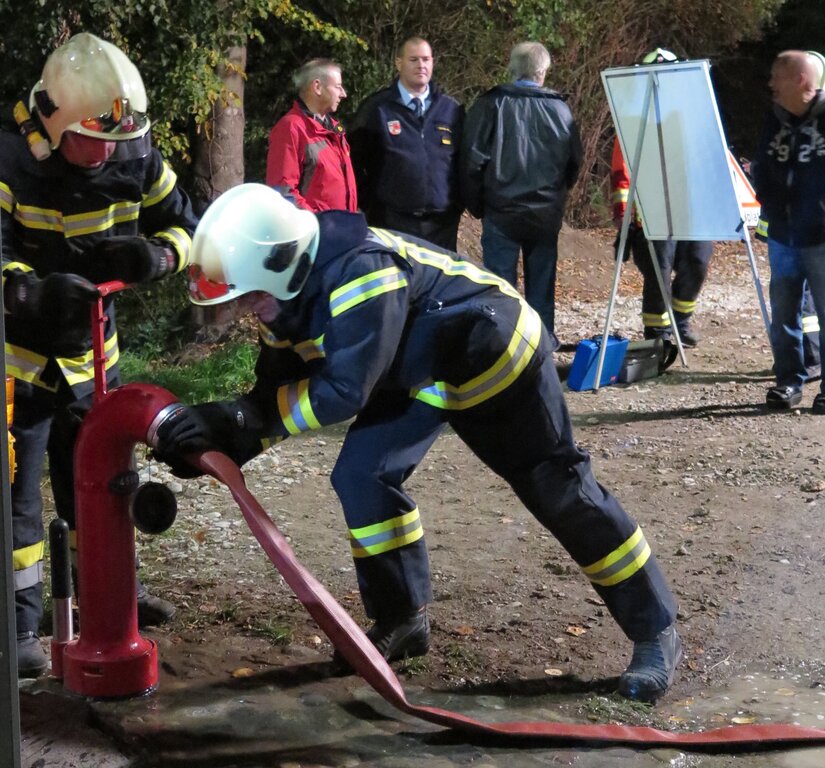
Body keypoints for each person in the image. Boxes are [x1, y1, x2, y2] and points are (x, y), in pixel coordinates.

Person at [155, 183, 682, 703]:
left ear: (279, 265)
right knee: (363, 475)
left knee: (557, 488)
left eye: (249, 297)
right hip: (420, 368)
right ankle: (401, 618)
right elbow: (274, 394)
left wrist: (239, 418)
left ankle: (654, 629)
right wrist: (228, 441)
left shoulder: (363, 273)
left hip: (495, 355)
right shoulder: (288, 287)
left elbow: (340, 392)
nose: (248, 309)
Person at [0, 33, 198, 677]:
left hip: (94, 358)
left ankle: (108, 599)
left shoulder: (134, 152)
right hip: (17, 365)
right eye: (93, 137)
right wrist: (26, 291)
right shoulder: (8, 161)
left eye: (117, 137)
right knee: (17, 499)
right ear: (52, 123)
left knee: (105, 485)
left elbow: (185, 226)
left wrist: (156, 255)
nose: (107, 150)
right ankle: (21, 623)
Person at [460, 41, 581, 351]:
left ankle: (504, 347)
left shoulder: (491, 105)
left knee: (501, 288)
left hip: (501, 211)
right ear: (543, 72)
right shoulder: (560, 109)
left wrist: (477, 206)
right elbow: (573, 163)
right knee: (542, 285)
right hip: (544, 214)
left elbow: (472, 160)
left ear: (512, 69)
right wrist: (556, 198)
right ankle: (541, 347)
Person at [611, 49, 714, 348]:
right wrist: (624, 212)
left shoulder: (693, 116)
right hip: (651, 211)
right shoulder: (632, 119)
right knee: (659, 270)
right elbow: (622, 170)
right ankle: (657, 333)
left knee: (698, 261)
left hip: (692, 212)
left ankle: (680, 320)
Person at [751, 50, 825, 412]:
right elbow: (761, 165)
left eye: (777, 76)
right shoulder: (774, 119)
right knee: (783, 312)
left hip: (821, 237)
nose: (770, 84)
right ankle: (788, 382)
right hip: (783, 234)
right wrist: (771, 201)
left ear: (800, 81)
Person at [348, 37, 463, 250]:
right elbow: (353, 159)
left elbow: (464, 161)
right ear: (398, 63)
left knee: (437, 283)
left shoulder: (451, 109)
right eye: (414, 59)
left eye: (426, 59)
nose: (421, 65)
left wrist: (457, 204)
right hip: (392, 222)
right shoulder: (377, 108)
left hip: (442, 225)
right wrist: (369, 203)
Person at [265, 58, 357, 213]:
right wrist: (318, 223)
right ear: (317, 87)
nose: (344, 94)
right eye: (338, 87)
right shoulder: (291, 128)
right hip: (315, 232)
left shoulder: (335, 129)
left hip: (341, 229)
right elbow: (282, 193)